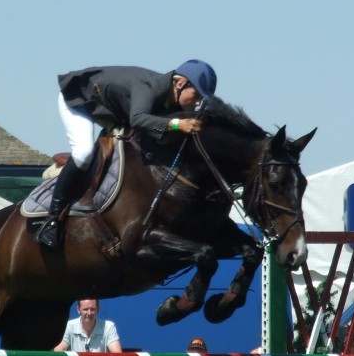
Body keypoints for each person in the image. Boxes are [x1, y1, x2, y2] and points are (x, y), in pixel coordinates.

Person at [35, 60, 218, 251]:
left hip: (112, 108)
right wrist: (176, 125)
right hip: (78, 99)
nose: (197, 104)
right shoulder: (149, 87)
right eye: (196, 96)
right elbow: (138, 119)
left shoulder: (170, 99)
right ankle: (51, 221)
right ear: (180, 84)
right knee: (84, 151)